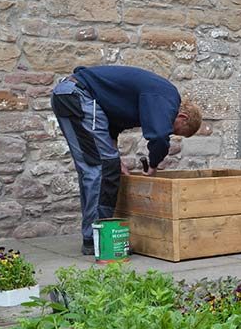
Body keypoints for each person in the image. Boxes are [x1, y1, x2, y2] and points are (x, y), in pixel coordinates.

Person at [50, 65, 202, 256]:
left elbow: (110, 129)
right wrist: (153, 165)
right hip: (78, 96)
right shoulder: (167, 97)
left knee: (94, 167)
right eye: (176, 130)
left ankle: (93, 237)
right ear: (182, 116)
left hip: (70, 95)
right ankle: (97, 240)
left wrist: (116, 157)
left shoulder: (146, 99)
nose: (171, 132)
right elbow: (159, 137)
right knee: (104, 168)